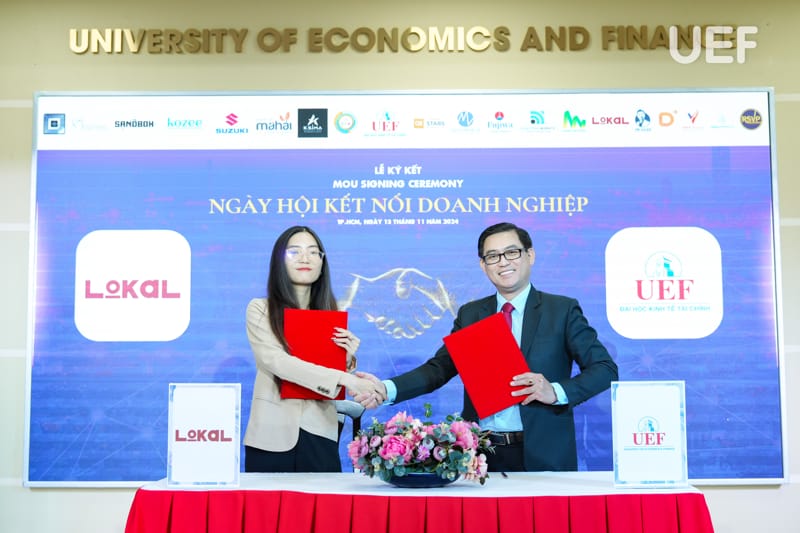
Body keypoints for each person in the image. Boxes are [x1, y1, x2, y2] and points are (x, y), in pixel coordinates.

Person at [355, 221, 618, 472]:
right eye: (493, 256)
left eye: (512, 252)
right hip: (479, 457)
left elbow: (605, 368)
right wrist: (386, 389)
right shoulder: (471, 314)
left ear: (530, 255)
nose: (503, 262)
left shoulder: (560, 310)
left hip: (545, 455)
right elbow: (440, 368)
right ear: (483, 265)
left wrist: (555, 391)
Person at [243, 225, 383, 472]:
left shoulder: (331, 314)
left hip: (321, 432)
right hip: (271, 434)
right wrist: (346, 379)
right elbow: (277, 361)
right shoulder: (260, 309)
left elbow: (325, 375)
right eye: (294, 252)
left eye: (312, 252)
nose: (304, 258)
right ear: (279, 261)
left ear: (322, 262)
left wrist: (346, 358)